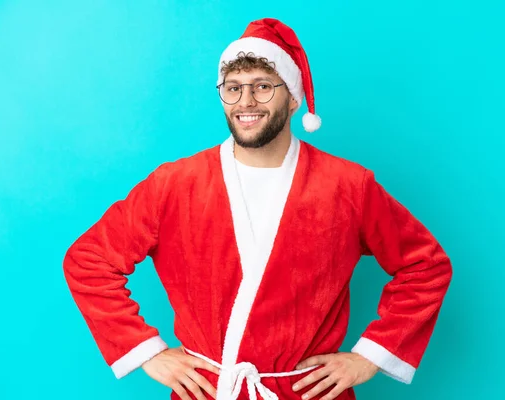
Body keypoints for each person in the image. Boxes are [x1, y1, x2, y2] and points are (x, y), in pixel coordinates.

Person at [63, 17, 453, 400]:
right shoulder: (175, 183)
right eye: (232, 88)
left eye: (263, 86)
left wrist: (369, 357)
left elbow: (426, 265)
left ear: (294, 97)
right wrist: (147, 352)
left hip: (305, 392)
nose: (245, 102)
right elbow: (89, 261)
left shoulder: (348, 185)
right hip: (211, 390)